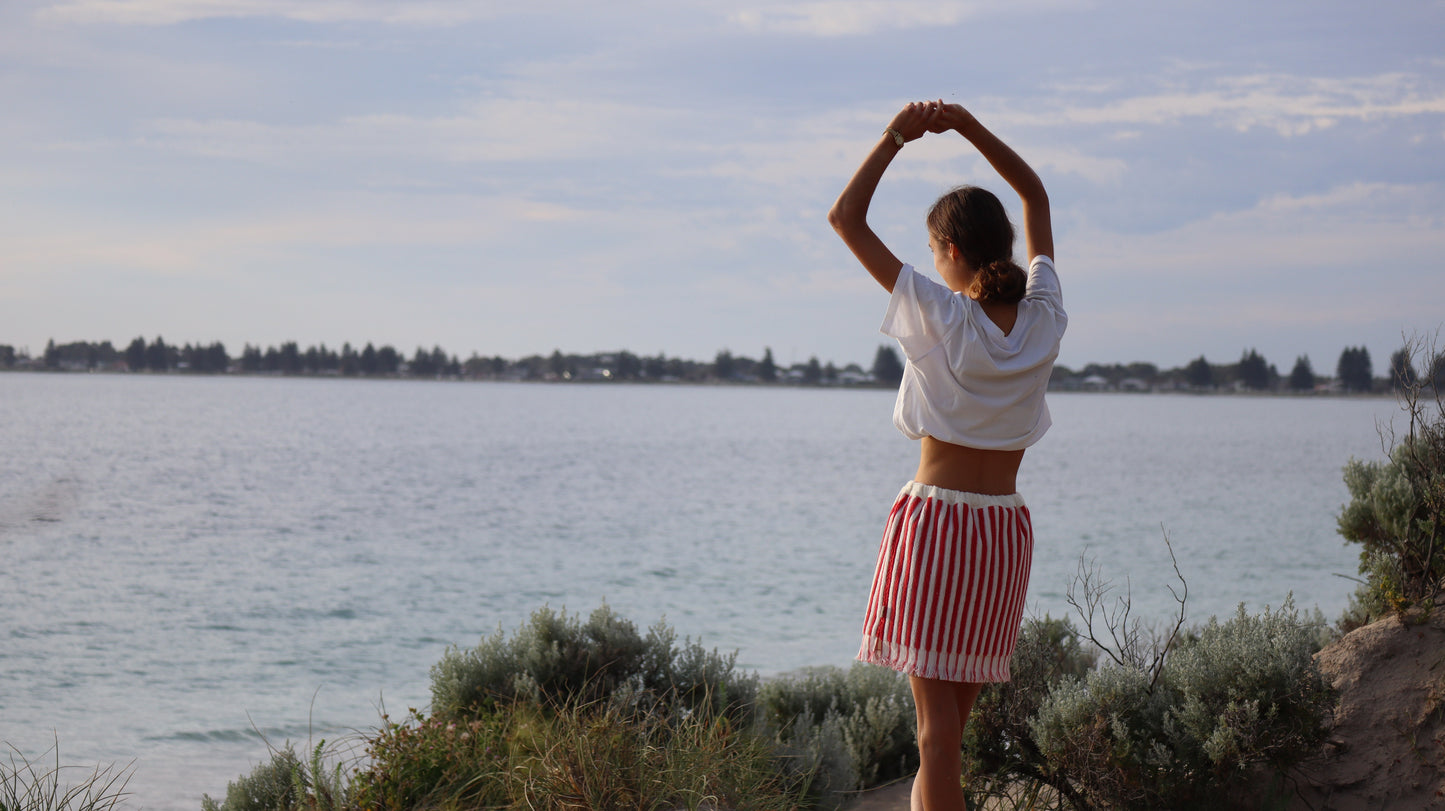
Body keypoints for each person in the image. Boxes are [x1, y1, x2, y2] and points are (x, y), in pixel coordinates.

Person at [827, 100, 1065, 811]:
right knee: (951, 733)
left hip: (935, 530)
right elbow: (1035, 195)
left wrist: (899, 134)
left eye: (932, 251)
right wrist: (965, 126)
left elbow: (844, 218)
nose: (929, 262)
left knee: (934, 738)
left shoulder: (940, 312)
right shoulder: (1044, 317)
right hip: (1001, 533)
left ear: (951, 252)